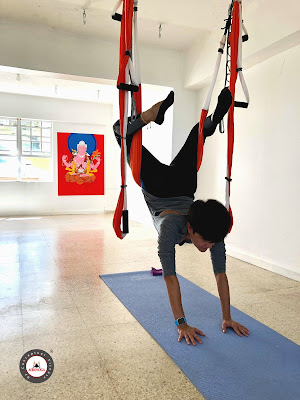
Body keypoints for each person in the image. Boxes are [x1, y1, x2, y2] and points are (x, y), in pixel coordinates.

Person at [113, 88, 249, 345]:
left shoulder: (211, 228)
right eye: (206, 242)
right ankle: (152, 117)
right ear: (190, 227)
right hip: (158, 187)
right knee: (120, 132)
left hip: (183, 183)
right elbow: (170, 276)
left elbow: (221, 274)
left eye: (211, 244)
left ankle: (206, 121)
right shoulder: (169, 228)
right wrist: (181, 324)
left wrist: (227, 317)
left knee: (196, 137)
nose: (208, 247)